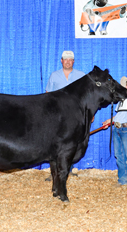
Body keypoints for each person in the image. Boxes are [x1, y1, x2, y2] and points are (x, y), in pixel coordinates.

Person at [44, 50, 86, 181]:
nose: (67, 62)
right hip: (57, 114)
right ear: (61, 61)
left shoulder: (81, 75)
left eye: (70, 60)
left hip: (76, 114)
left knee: (73, 141)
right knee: (55, 141)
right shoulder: (54, 75)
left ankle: (67, 168)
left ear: (73, 61)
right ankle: (54, 171)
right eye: (65, 59)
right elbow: (47, 95)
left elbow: (86, 96)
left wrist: (87, 113)